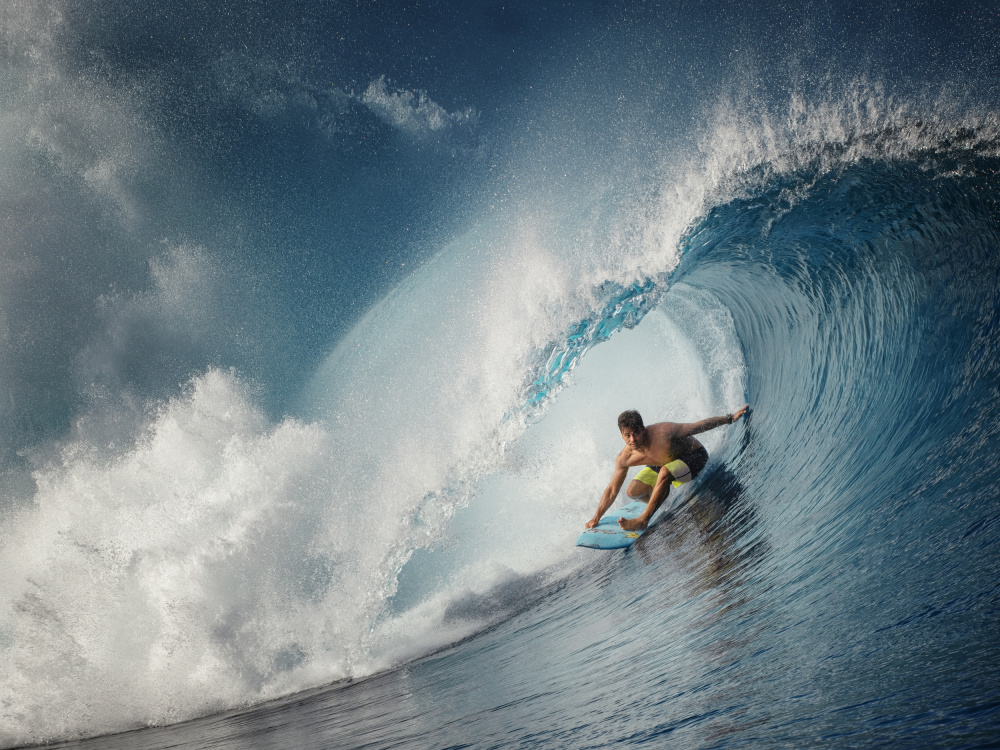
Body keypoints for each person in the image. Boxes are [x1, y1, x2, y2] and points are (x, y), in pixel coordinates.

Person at [585, 405, 749, 532]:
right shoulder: (625, 458)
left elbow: (697, 426)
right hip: (665, 464)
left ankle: (643, 519)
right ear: (622, 435)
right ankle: (664, 499)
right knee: (632, 491)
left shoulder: (663, 432)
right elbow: (612, 490)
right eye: (627, 435)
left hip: (694, 457)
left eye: (636, 433)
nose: (632, 439)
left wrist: (729, 418)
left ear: (643, 429)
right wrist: (596, 517)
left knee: (664, 472)